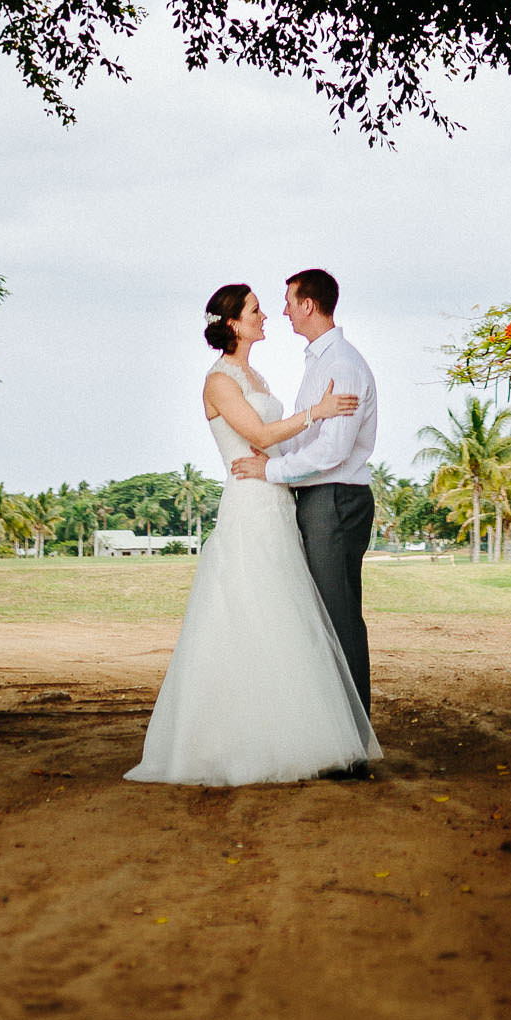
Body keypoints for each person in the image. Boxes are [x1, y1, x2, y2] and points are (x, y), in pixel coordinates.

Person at [124, 280, 383, 788]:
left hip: (278, 501)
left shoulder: (257, 373)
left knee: (290, 618)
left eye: (275, 306)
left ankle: (304, 731)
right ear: (233, 324)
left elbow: (279, 444)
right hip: (251, 501)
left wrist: (285, 458)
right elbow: (262, 437)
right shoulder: (220, 380)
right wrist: (317, 413)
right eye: (257, 310)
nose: (269, 315)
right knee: (249, 613)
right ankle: (242, 735)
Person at [228, 268, 378, 721]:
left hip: (334, 498)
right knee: (324, 617)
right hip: (319, 498)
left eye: (289, 300)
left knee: (339, 618)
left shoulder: (342, 365)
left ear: (308, 304)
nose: (283, 311)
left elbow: (332, 450)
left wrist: (271, 469)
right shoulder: (320, 363)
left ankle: (353, 737)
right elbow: (307, 440)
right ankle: (332, 724)